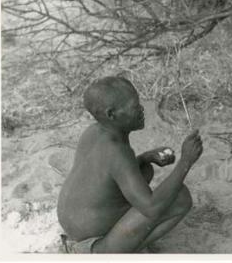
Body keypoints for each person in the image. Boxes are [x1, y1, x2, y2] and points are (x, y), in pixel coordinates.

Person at [57, 76, 203, 253]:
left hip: (75, 229)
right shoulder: (118, 153)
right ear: (112, 114)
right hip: (92, 247)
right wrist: (186, 161)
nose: (141, 110)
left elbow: (107, 175)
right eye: (134, 106)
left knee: (145, 169)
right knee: (181, 197)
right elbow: (152, 208)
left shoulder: (93, 132)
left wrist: (145, 158)